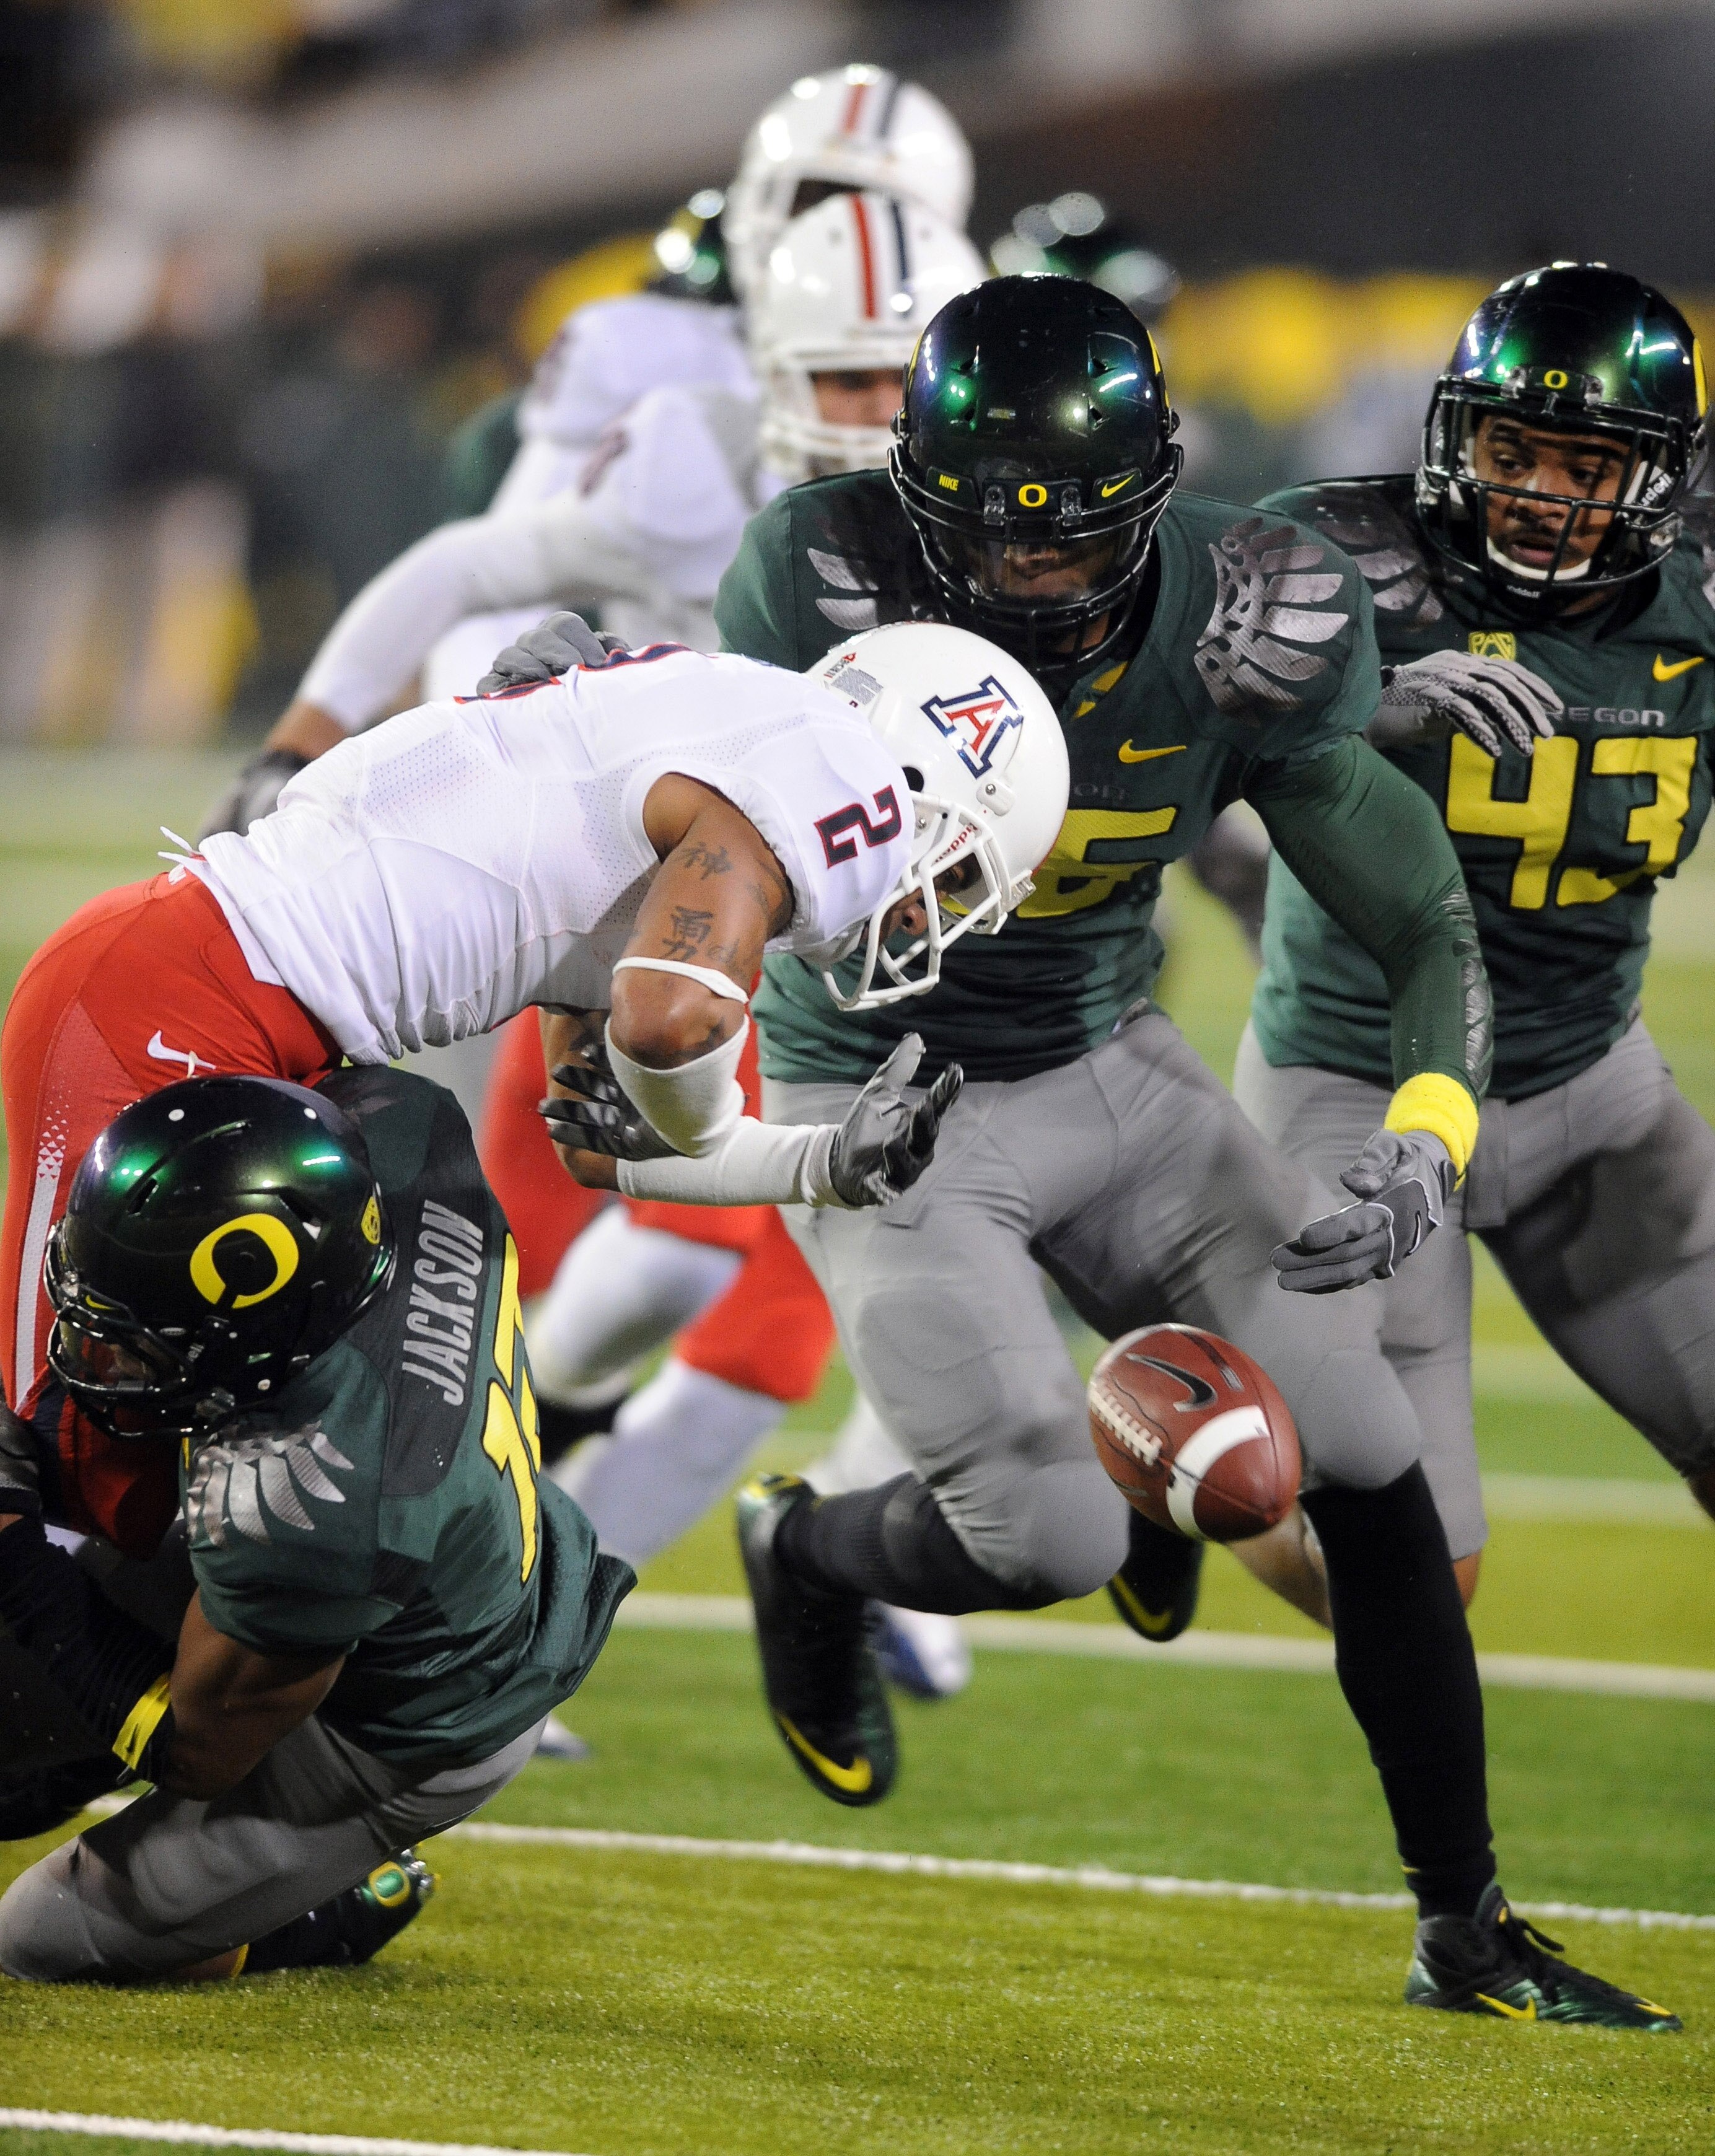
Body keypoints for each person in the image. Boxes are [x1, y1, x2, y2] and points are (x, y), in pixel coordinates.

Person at [688, 272, 1675, 2027]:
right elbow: (679, 815)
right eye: (995, 537)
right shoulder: (815, 574)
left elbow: (1420, 916)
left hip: (1110, 1058)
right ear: (916, 503)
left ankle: (1467, 1925)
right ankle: (812, 1551)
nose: (1035, 575)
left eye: (1078, 544)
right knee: (1048, 1539)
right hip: (886, 1104)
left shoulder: (1253, 607)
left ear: (1156, 502)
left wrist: (1431, 1125)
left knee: (1364, 1457)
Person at [1, 626, 1010, 1572]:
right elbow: (669, 1024)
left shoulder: (703, 755)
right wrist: (714, 1103)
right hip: (168, 1004)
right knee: (73, 1437)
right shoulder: (823, 772)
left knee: (185, 1451)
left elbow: (602, 1147)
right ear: (911, 778)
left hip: (267, 1043)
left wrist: (819, 1165)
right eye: (953, 869)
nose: (932, 907)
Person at [1229, 262, 1715, 1618]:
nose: (1541, 494)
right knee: (1404, 1588)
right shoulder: (1323, 559)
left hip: (1589, 1089)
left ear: (1658, 479)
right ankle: (1198, 1485)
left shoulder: (1701, 608)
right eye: (1513, 450)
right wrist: (1346, 701)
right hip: (1352, 1089)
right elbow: (1145, 734)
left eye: (1587, 461)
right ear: (1456, 436)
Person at [0, 1069, 631, 1982]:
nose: (94, 1354)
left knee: (43, 1940)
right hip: (409, 1551)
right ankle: (51, 1772)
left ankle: (328, 1911)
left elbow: (198, 1746)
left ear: (262, 1340)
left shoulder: (311, 1493)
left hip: (412, 1716)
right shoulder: (399, 1134)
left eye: (136, 1342)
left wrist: (15, 1551)